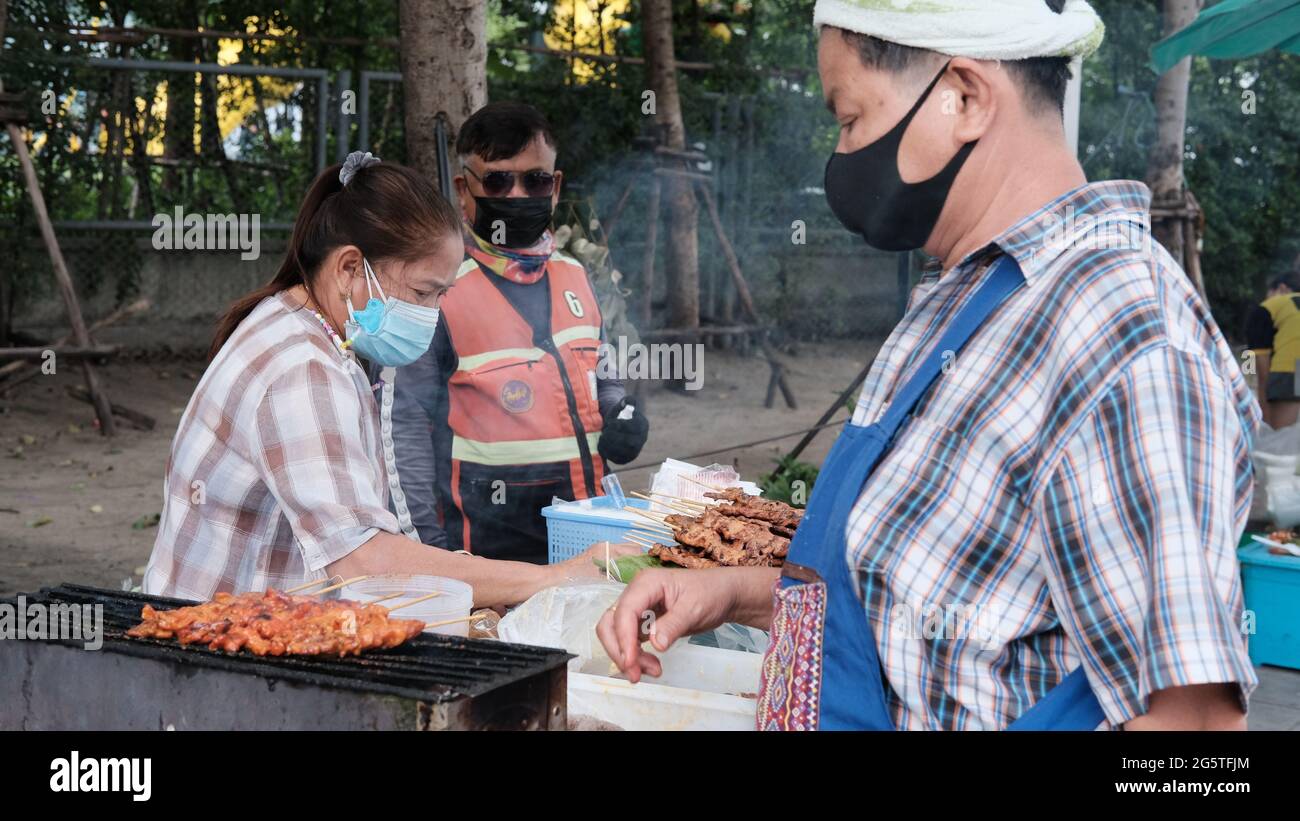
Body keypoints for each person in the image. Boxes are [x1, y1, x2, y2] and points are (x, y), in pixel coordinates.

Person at [599, 0, 1258, 731]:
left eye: (851, 118)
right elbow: (927, 614)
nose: (843, 154)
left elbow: (1197, 734)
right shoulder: (964, 296)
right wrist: (733, 592)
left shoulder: (1119, 332)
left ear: (966, 97)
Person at [143, 152, 632, 607]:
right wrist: (548, 579)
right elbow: (364, 562)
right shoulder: (303, 368)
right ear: (350, 267)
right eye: (423, 292)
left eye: (442, 295)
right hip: (217, 645)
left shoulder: (303, 328)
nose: (434, 314)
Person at [379, 102, 649, 563]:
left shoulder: (577, 277)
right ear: (464, 190)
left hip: (587, 532)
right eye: (499, 180)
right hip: (487, 551)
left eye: (536, 180)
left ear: (555, 186)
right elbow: (403, 429)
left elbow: (600, 378)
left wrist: (620, 412)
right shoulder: (435, 292)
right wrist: (430, 549)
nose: (519, 194)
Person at [1243, 270, 1300, 428]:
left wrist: (1265, 423)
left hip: (1291, 370)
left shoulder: (1266, 309)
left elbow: (1261, 371)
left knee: (1281, 440)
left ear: (1282, 289)